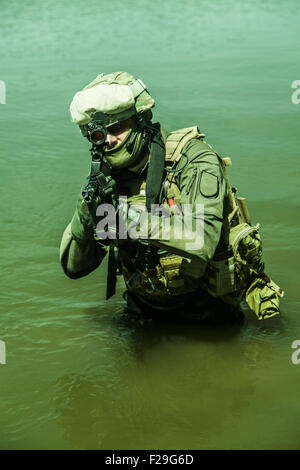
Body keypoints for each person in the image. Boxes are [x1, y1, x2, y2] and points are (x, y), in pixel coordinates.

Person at [60, 72, 283, 322]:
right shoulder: (107, 177)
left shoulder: (193, 160)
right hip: (142, 308)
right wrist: (87, 210)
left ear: (141, 120)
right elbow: (74, 268)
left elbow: (202, 241)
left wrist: (123, 218)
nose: (109, 140)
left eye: (117, 128)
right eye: (100, 134)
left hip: (209, 309)